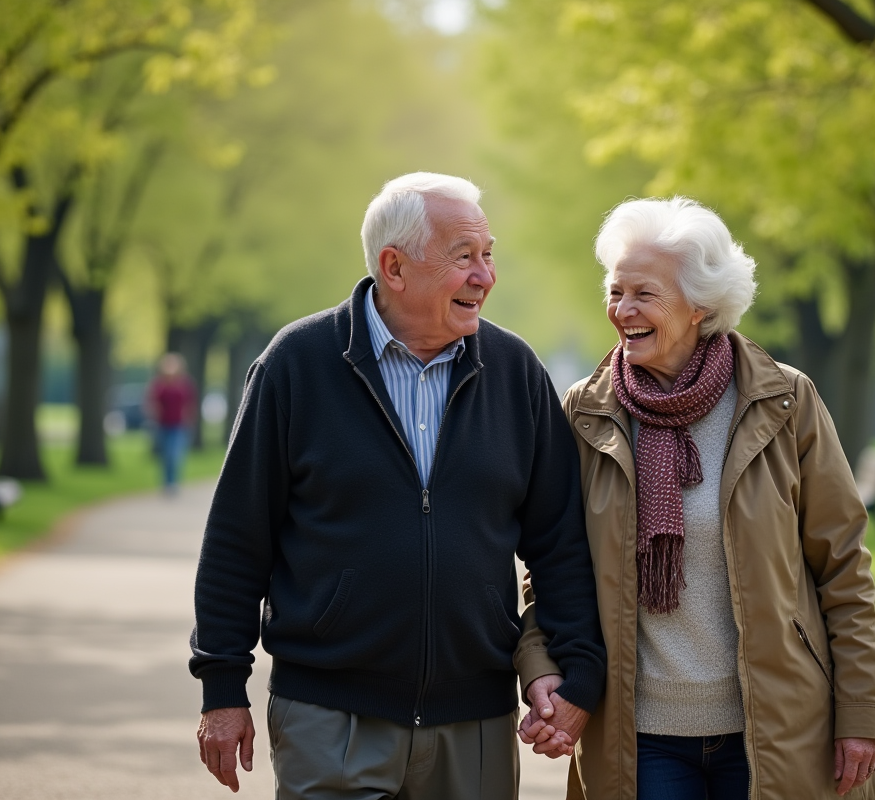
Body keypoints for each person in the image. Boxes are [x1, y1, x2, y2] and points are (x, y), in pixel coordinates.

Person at [190, 172, 606, 799]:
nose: (485, 276)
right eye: (463, 256)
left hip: (476, 725)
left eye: (488, 255)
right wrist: (222, 690)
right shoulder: (296, 365)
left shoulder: (515, 373)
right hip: (329, 717)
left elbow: (561, 543)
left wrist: (577, 671)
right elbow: (236, 540)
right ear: (394, 266)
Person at [518, 197, 875, 799]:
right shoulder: (585, 414)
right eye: (616, 291)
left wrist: (863, 712)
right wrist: (545, 674)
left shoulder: (784, 402)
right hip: (641, 736)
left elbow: (843, 567)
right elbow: (551, 569)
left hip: (775, 726)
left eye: (645, 294)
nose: (623, 310)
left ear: (700, 306)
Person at [146, 352, 197, 494]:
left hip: (179, 425)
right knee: (165, 456)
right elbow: (152, 402)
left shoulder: (185, 383)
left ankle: (173, 482)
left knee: (175, 454)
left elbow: (190, 403)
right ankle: (166, 483)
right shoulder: (159, 384)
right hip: (162, 424)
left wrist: (190, 420)